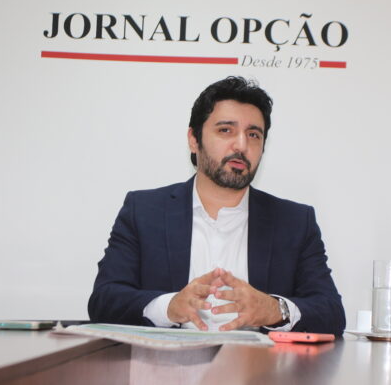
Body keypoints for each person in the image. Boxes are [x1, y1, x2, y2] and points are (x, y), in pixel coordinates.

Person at [88, 76, 345, 334]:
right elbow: (104, 300)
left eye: (253, 135)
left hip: (257, 361)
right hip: (168, 360)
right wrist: (168, 307)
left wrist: (274, 310)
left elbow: (331, 313)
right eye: (226, 130)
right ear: (194, 139)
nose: (241, 145)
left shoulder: (294, 222)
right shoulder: (144, 211)